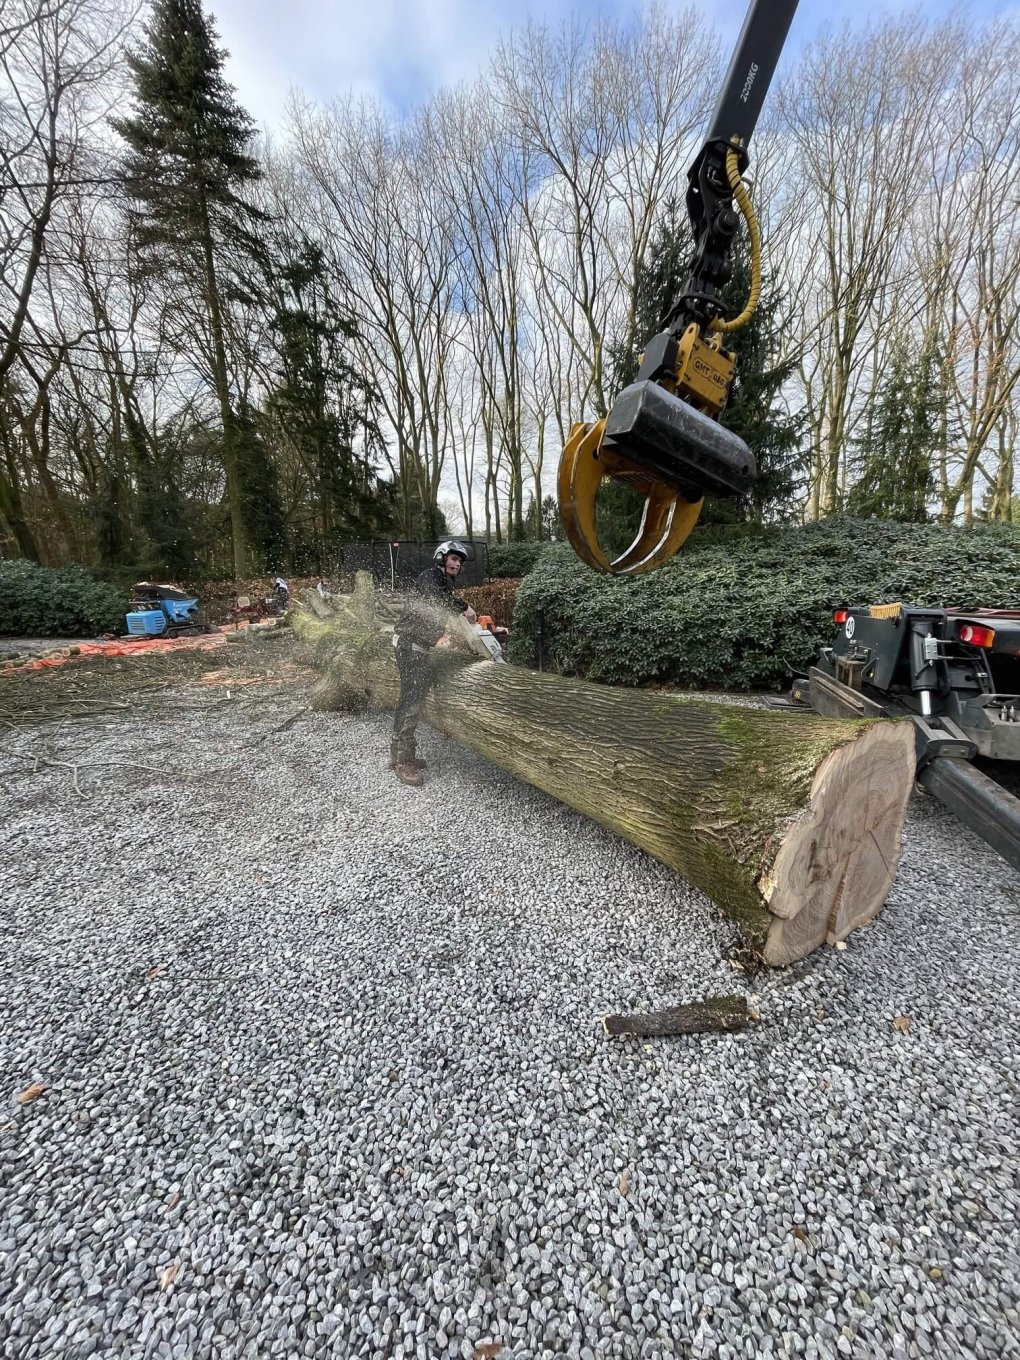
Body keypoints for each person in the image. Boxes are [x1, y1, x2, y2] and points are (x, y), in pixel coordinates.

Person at [390, 540, 477, 786]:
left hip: (416, 648)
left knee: (408, 699)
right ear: (441, 558)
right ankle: (404, 761)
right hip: (410, 648)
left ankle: (396, 754)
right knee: (412, 703)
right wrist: (465, 607)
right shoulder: (430, 578)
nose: (457, 564)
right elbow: (435, 598)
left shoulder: (442, 583)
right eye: (453, 559)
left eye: (459, 561)